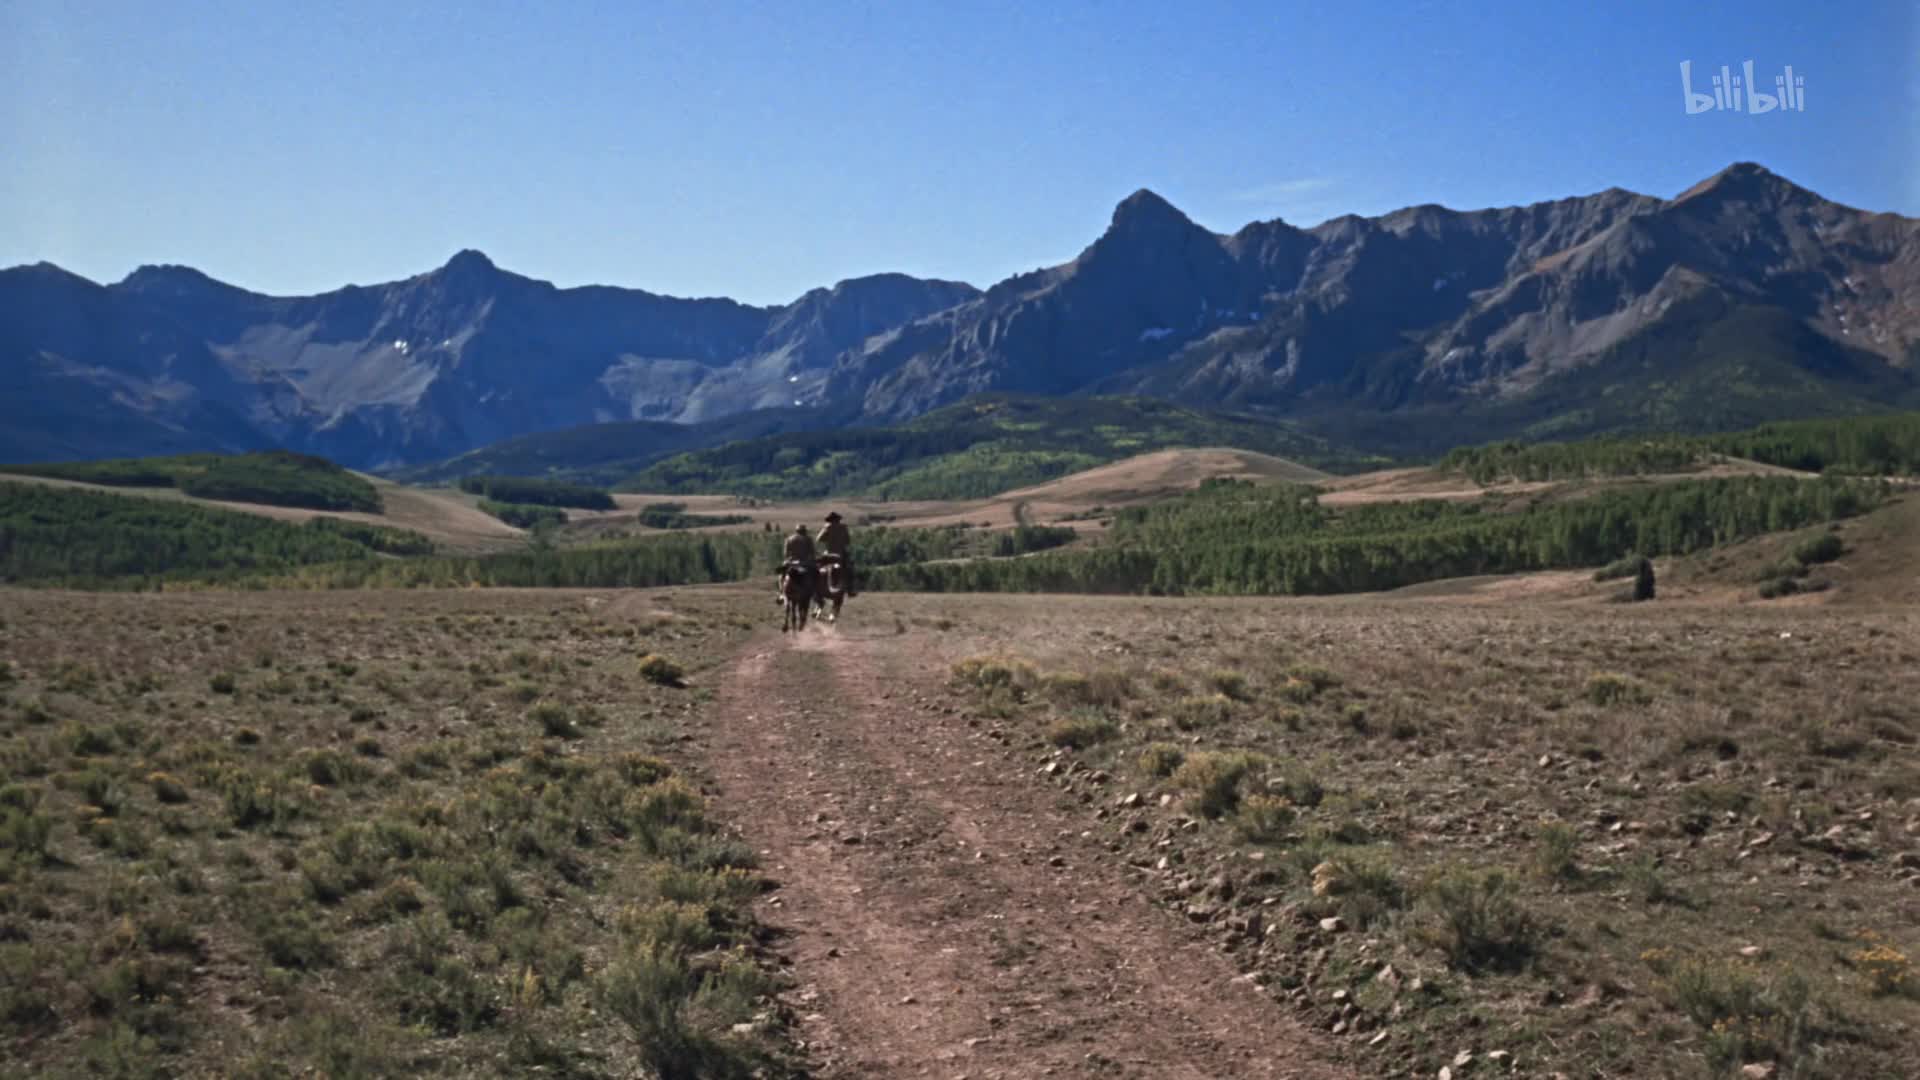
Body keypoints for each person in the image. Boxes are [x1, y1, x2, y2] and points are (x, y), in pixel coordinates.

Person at [816, 511, 855, 597]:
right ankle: (850, 589)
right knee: (849, 568)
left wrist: (827, 539)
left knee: (817, 568)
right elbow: (848, 541)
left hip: (829, 553)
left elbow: (818, 539)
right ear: (838, 519)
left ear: (830, 520)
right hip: (841, 554)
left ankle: (815, 588)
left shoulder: (827, 527)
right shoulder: (844, 527)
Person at [780, 523, 816, 591]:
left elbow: (785, 554)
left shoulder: (789, 539)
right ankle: (816, 592)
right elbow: (812, 552)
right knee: (816, 572)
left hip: (792, 562)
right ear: (804, 531)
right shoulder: (808, 539)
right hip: (805, 562)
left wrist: (790, 559)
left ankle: (781, 591)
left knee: (782, 573)